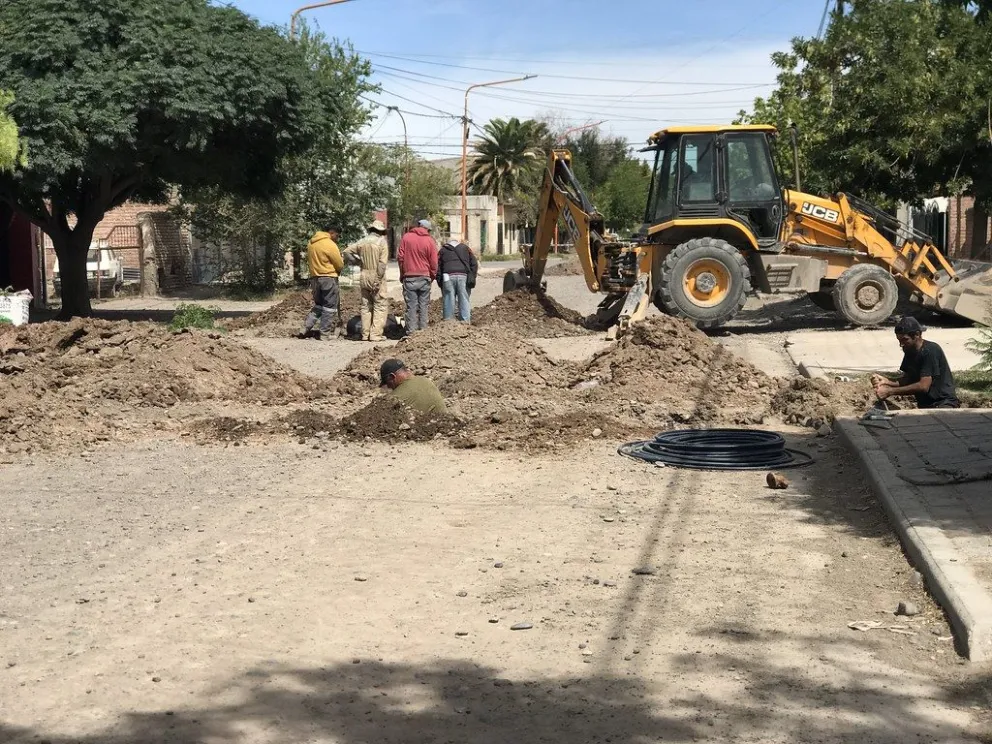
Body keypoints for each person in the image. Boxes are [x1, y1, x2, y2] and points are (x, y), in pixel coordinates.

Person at [872, 316, 960, 409]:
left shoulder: (930, 351)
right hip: (926, 405)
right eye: (899, 340)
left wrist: (890, 391)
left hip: (944, 403)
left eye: (904, 340)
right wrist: (887, 381)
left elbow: (923, 386)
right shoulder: (909, 350)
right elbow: (907, 380)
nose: (901, 345)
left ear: (917, 335)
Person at [343, 219, 390, 341]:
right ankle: (375, 335)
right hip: (376, 274)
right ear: (381, 231)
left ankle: (365, 334)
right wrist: (378, 280)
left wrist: (357, 261)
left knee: (366, 305)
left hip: (364, 274)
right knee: (380, 305)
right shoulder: (382, 242)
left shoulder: (362, 241)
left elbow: (346, 251)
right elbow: (382, 264)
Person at [300, 225, 344, 340]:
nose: (337, 238)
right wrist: (339, 269)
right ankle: (324, 334)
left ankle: (305, 328)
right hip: (328, 278)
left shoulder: (311, 243)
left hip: (315, 278)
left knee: (319, 305)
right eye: (337, 235)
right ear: (332, 232)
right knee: (329, 306)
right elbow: (339, 264)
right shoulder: (330, 244)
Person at [397, 219, 438, 334]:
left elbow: (400, 257)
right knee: (423, 306)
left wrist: (402, 274)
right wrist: (432, 276)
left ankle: (411, 333)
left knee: (411, 306)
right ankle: (423, 332)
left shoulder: (406, 238)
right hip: (425, 277)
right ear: (427, 229)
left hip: (409, 277)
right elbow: (434, 261)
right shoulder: (430, 241)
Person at [379, 358, 446, 414]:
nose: (389, 387)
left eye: (387, 383)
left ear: (392, 377)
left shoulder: (397, 397)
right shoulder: (424, 380)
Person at [438, 238, 478, 322]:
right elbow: (474, 263)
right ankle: (465, 322)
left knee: (448, 299)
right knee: (464, 299)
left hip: (447, 276)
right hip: (463, 276)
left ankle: (448, 323)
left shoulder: (442, 250)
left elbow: (437, 267)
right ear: (458, 242)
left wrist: (440, 281)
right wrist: (472, 276)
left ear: (447, 243)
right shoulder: (465, 248)